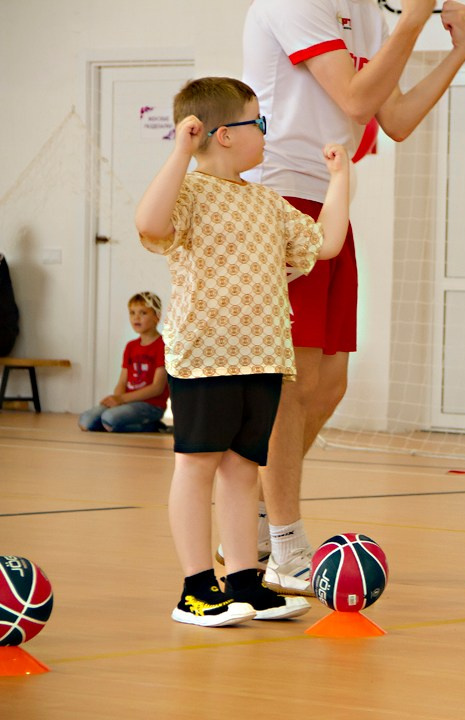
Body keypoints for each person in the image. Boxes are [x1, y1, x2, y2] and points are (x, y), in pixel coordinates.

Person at [241, 0, 465, 595]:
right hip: (280, 195)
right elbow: (352, 98)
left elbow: (391, 116)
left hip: (331, 197)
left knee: (330, 383)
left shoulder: (369, 13)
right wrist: (415, 19)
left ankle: (258, 514)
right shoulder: (294, 3)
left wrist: (459, 51)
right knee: (292, 383)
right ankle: (285, 545)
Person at [135, 77, 349, 626]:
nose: (264, 134)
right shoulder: (188, 193)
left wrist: (340, 180)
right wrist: (180, 151)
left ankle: (243, 582)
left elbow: (324, 244)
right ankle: (195, 588)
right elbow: (150, 224)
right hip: (205, 357)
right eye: (258, 124)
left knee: (241, 470)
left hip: (261, 358)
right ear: (223, 135)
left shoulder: (267, 202)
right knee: (197, 465)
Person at [78, 291, 169, 433]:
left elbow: (157, 387)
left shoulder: (163, 345)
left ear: (157, 316)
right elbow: (122, 382)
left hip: (150, 405)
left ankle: (153, 425)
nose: (136, 317)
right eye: (132, 313)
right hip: (127, 401)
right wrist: (116, 399)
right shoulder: (131, 346)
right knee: (85, 421)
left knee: (110, 419)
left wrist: (122, 399)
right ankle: (117, 424)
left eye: (143, 313)